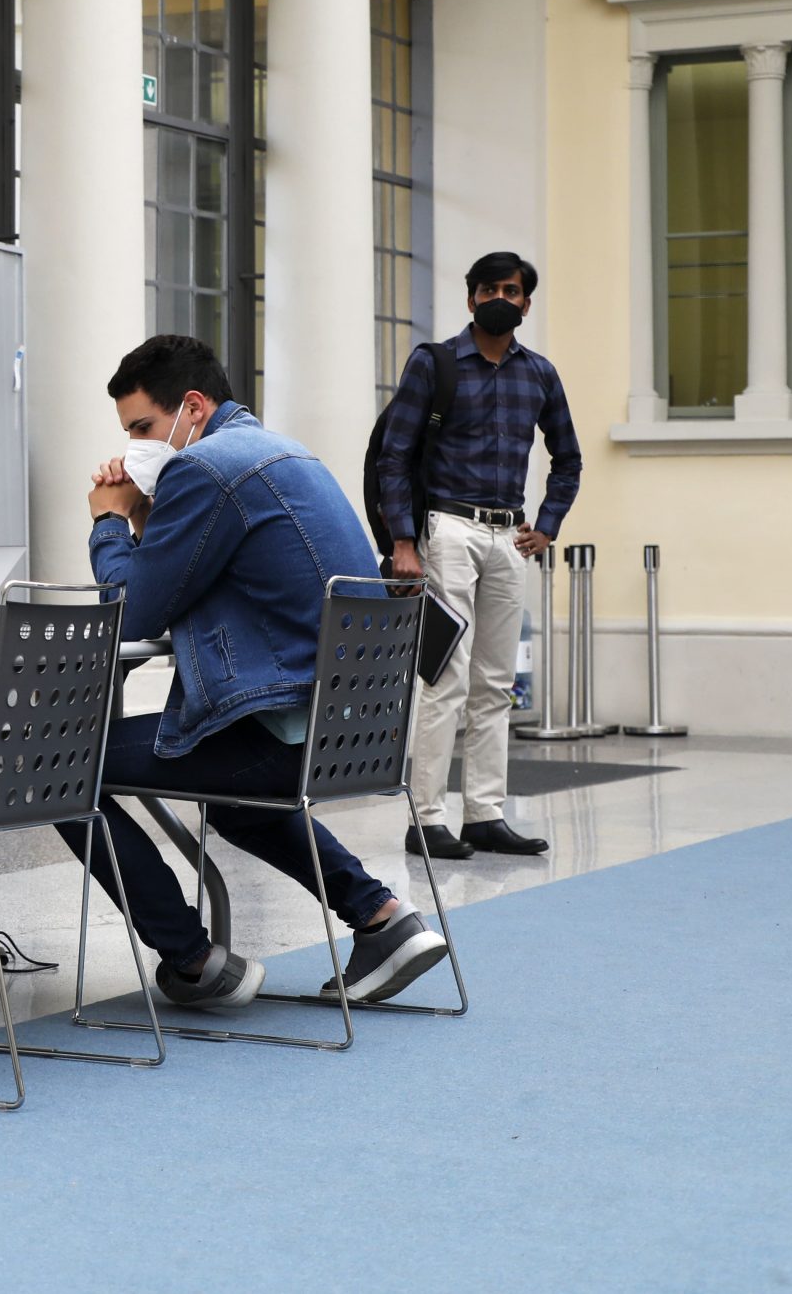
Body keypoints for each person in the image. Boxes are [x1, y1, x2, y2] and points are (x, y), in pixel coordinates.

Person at [64, 335, 451, 1010]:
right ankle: (382, 918)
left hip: (278, 736)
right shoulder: (285, 452)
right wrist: (149, 513)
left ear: (192, 405)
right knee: (237, 810)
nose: (132, 448)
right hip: (345, 736)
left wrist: (108, 520)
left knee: (59, 763)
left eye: (142, 428)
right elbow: (194, 577)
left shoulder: (205, 468)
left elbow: (132, 615)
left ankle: (192, 958)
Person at [378, 251, 582, 860]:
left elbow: (568, 459)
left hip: (507, 537)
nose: (501, 297)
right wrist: (404, 542)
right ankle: (427, 819)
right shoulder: (434, 363)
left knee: (495, 684)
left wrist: (546, 527)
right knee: (444, 678)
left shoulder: (539, 374)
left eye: (512, 290)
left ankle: (485, 814)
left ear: (525, 302)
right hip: (447, 531)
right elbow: (395, 455)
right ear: (470, 299)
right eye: (489, 288)